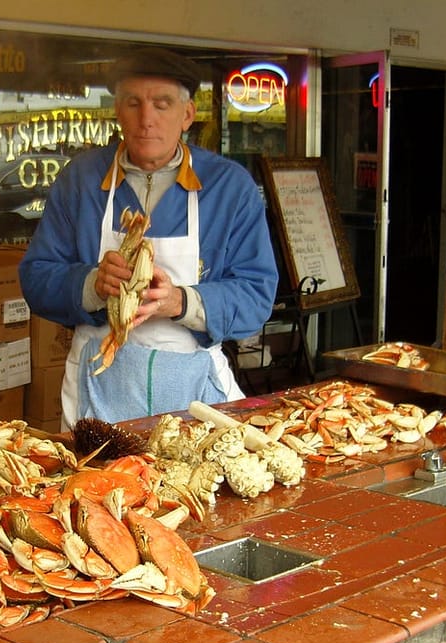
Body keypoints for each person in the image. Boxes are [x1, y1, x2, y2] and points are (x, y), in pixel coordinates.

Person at [18, 47, 279, 430]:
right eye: (133, 103)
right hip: (98, 391)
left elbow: (257, 294)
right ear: (117, 111)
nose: (146, 119)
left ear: (187, 114)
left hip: (195, 397)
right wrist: (92, 285)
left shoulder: (229, 187)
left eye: (162, 103)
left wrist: (180, 301)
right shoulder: (82, 179)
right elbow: (37, 276)